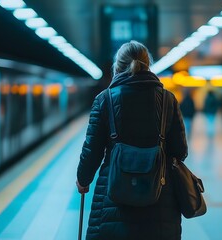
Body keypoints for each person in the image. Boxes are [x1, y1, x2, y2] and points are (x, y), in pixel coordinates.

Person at [76, 40, 188, 240]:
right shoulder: (168, 99)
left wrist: (83, 179)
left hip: (113, 197)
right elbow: (180, 151)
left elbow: (91, 150)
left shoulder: (104, 99)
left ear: (117, 67)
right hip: (159, 197)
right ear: (148, 64)